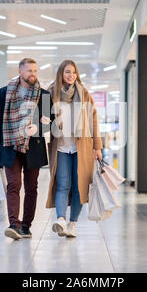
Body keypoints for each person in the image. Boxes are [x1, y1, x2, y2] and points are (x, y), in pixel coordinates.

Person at [0, 58, 52, 240]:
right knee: (13, 185)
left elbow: (51, 123)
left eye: (35, 70)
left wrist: (38, 128)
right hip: (10, 145)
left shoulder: (45, 95)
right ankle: (13, 224)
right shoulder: (4, 93)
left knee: (31, 187)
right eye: (29, 71)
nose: (33, 74)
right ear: (20, 72)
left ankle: (26, 225)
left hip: (34, 146)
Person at [46, 60, 103, 238]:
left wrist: (97, 146)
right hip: (61, 147)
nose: (71, 75)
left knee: (80, 187)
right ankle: (61, 219)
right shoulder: (51, 93)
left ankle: (72, 223)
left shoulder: (84, 93)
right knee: (63, 184)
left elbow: (94, 121)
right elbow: (43, 118)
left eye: (73, 72)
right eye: (67, 72)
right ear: (61, 74)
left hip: (82, 148)